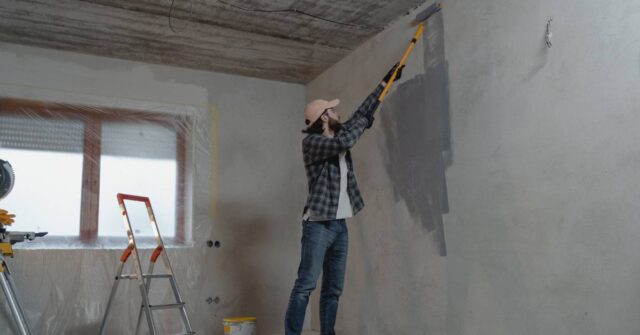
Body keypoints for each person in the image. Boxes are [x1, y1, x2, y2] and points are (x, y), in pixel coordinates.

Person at [284, 63, 405, 335]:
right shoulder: (313, 143)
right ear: (324, 118)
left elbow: (363, 113)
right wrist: (362, 123)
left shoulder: (339, 131)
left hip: (339, 225)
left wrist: (386, 82)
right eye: (333, 109)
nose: (338, 112)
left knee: (333, 289)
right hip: (317, 225)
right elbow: (344, 143)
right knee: (305, 285)